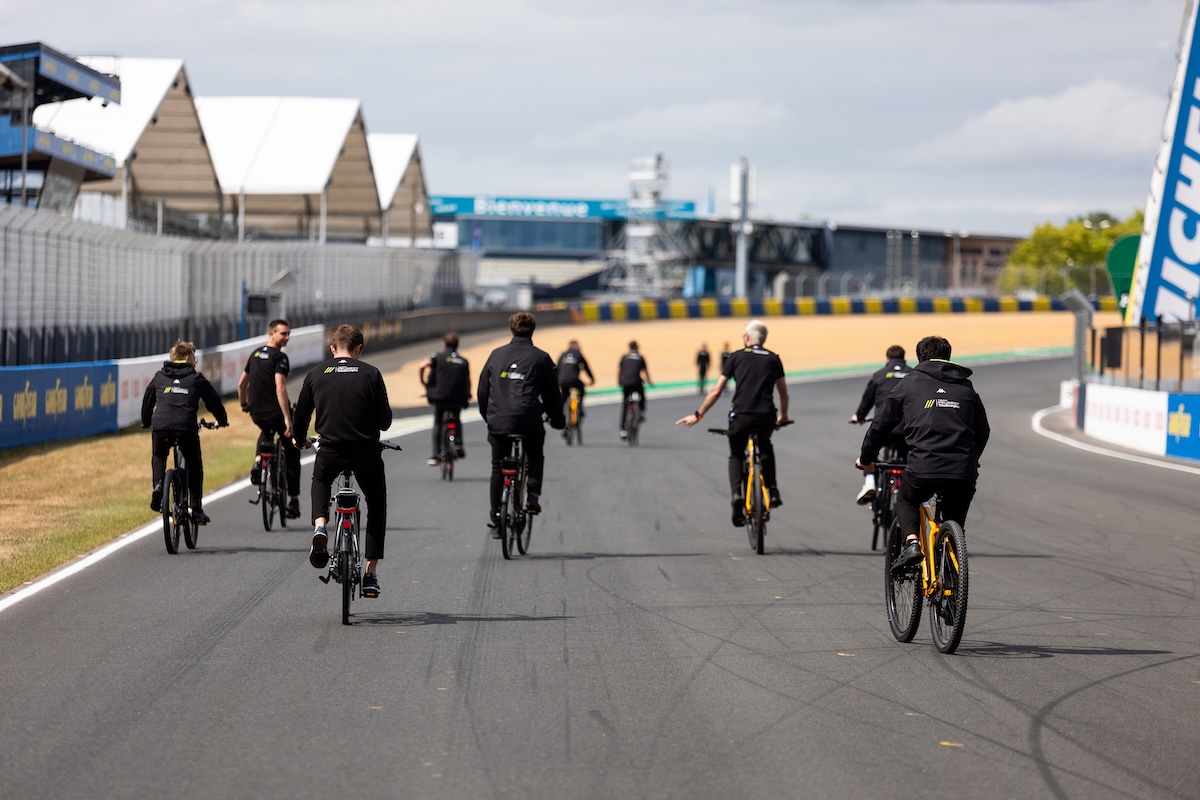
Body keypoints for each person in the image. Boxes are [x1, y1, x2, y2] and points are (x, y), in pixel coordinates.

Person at [856, 336, 990, 573]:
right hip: (963, 472)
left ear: (919, 357)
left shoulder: (909, 383)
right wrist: (972, 459)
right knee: (955, 521)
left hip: (922, 469)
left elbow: (880, 425)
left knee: (907, 499)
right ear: (948, 356)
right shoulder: (966, 386)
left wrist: (866, 459)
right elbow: (983, 430)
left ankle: (911, 543)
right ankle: (951, 565)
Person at [293, 325, 393, 598]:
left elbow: (300, 416)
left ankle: (320, 526)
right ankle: (370, 572)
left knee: (321, 480)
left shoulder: (316, 373)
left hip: (330, 449)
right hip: (365, 451)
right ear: (359, 349)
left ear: (332, 348)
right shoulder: (371, 373)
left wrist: (300, 440)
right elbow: (385, 421)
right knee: (376, 502)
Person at [676, 320, 789, 526]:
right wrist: (784, 416)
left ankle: (737, 495)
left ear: (747, 338)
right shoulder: (774, 358)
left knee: (736, 453)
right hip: (766, 415)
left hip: (741, 415)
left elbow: (716, 391)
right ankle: (773, 491)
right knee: (765, 445)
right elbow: (783, 394)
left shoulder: (736, 356)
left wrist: (698, 415)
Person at [477, 312, 565, 533]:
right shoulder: (541, 358)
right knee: (535, 454)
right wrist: (558, 420)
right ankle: (532, 496)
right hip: (528, 419)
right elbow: (553, 395)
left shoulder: (496, 355)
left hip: (498, 421)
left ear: (511, 329)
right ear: (532, 330)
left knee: (497, 467)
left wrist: (488, 417)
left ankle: (497, 518)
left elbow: (482, 390)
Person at [141, 340, 229, 524]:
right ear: (188, 358)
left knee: (159, 455)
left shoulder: (159, 376)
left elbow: (147, 401)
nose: (195, 361)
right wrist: (222, 420)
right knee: (195, 465)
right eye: (194, 358)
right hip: (185, 427)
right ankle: (196, 510)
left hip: (161, 426)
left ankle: (158, 485)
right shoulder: (196, 378)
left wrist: (146, 421)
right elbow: (213, 401)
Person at [237, 318, 302, 518]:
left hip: (256, 412)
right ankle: (293, 500)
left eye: (289, 333)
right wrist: (287, 419)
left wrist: (244, 404)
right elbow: (280, 387)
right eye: (283, 333)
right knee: (292, 450)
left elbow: (241, 384)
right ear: (271, 333)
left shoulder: (255, 354)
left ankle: (259, 461)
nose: (287, 337)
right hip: (276, 412)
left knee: (266, 432)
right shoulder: (280, 357)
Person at [849, 344, 911, 505]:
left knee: (871, 448)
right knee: (908, 458)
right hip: (907, 430)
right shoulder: (914, 375)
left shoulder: (879, 375)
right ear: (904, 359)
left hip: (884, 429)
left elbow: (867, 400)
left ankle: (870, 482)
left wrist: (859, 416)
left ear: (886, 359)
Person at [418, 332, 471, 466]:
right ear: (457, 345)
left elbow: (421, 366)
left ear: (444, 344)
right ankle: (458, 442)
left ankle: (436, 454)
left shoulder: (437, 357)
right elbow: (467, 380)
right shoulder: (463, 361)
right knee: (457, 418)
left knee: (438, 422)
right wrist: (468, 393)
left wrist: (423, 382)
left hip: (439, 396)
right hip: (458, 397)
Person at [556, 339, 595, 431]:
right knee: (581, 389)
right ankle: (580, 409)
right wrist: (591, 379)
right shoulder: (578, 354)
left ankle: (561, 417)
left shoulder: (563, 354)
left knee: (564, 398)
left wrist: (557, 382)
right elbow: (586, 367)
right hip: (574, 380)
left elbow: (557, 368)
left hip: (562, 381)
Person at [617, 341, 653, 438]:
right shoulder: (640, 357)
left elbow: (620, 370)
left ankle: (623, 430)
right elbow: (645, 371)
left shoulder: (624, 357)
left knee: (625, 405)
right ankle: (641, 411)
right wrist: (649, 381)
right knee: (642, 395)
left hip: (625, 383)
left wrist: (619, 381)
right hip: (636, 382)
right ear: (637, 347)